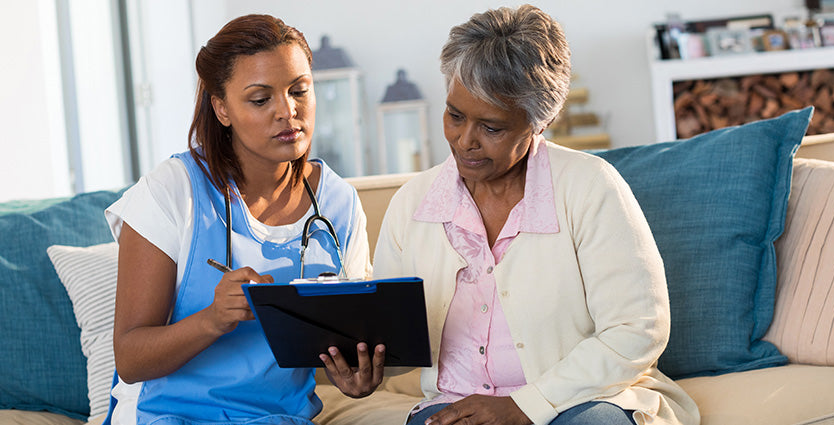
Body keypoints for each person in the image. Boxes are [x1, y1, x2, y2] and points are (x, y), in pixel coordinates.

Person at [372, 5, 700, 425]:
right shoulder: (411, 204)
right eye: (455, 116)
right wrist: (370, 369)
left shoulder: (590, 186)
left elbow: (637, 329)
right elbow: (396, 343)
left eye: (491, 127)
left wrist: (524, 406)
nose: (464, 140)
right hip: (456, 406)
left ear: (537, 123)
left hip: (582, 401)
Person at [103, 14, 384, 425]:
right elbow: (130, 359)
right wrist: (212, 320)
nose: (287, 112)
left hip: (280, 418)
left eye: (299, 91)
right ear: (222, 108)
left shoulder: (338, 202)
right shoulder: (172, 190)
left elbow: (345, 340)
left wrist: (355, 376)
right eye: (260, 99)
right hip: (166, 415)